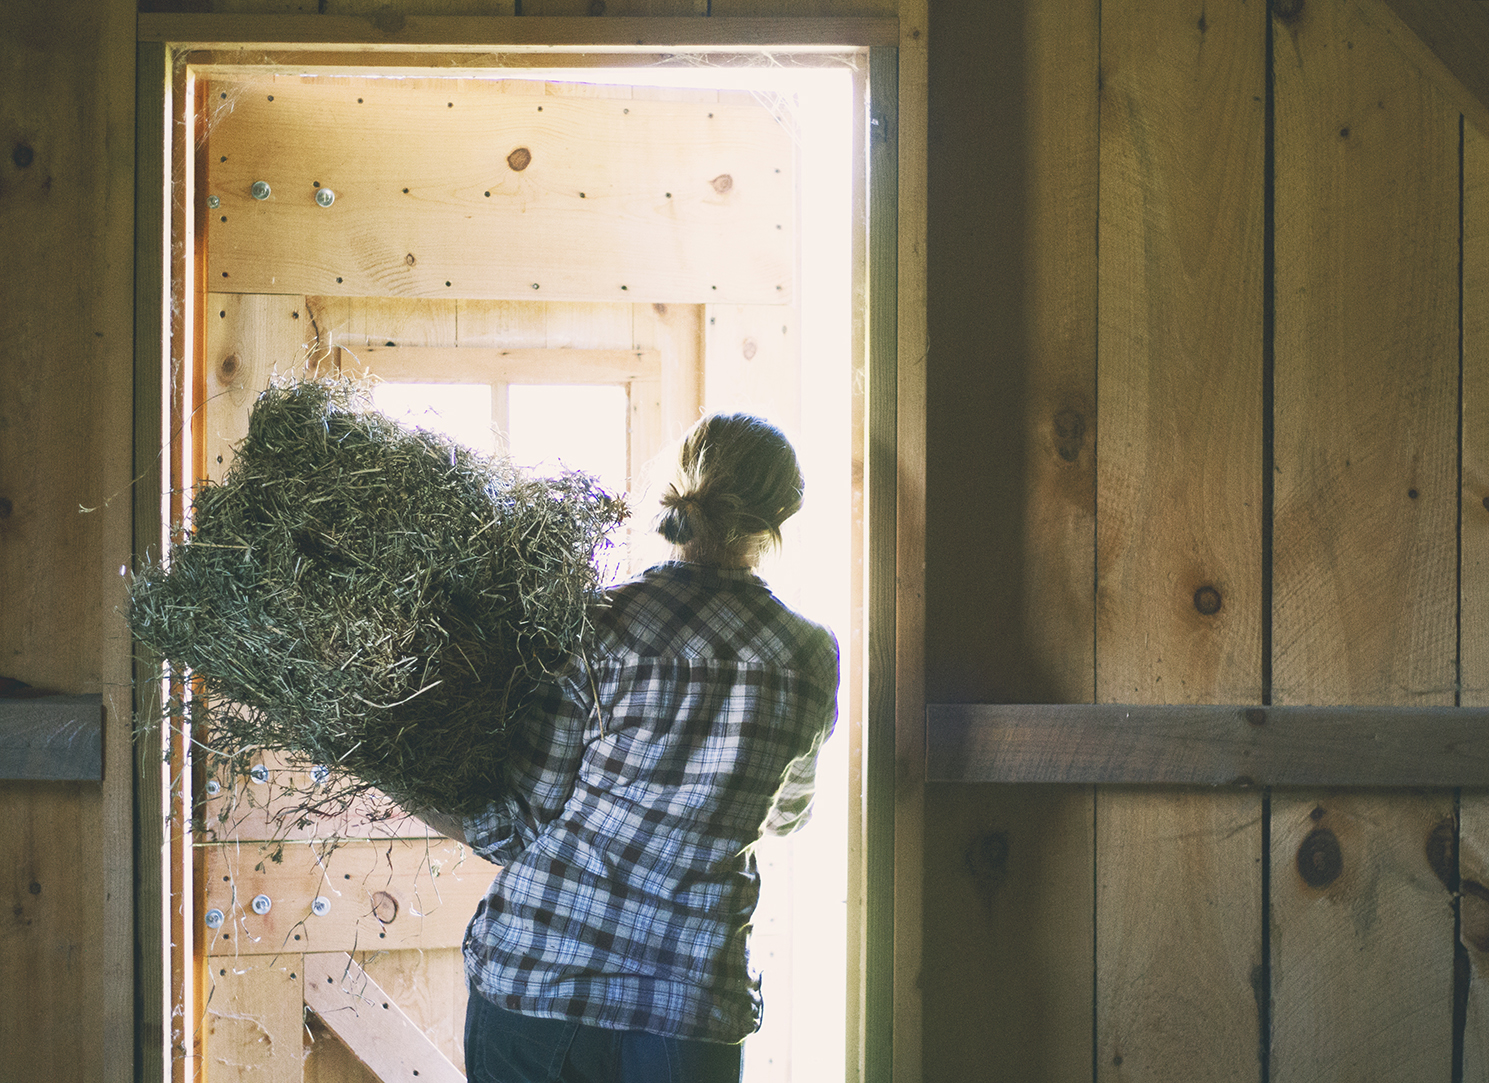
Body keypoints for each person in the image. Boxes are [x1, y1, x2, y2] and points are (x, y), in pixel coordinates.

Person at [453, 413, 840, 1083]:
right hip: (689, 1002)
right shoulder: (809, 654)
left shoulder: (599, 622)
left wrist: (416, 789)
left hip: (543, 975)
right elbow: (786, 816)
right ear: (784, 512)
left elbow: (519, 826)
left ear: (678, 492)